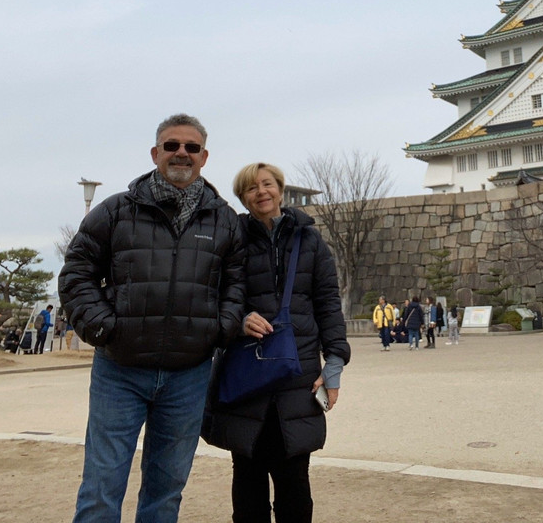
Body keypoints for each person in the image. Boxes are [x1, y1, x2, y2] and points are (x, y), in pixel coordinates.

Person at [58, 113, 246, 523]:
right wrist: (103, 327)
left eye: (191, 147)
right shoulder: (115, 211)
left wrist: (220, 330)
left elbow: (237, 284)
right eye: (172, 145)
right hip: (119, 369)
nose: (182, 153)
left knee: (167, 489)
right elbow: (77, 273)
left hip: (189, 372)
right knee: (101, 486)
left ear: (205, 156)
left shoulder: (224, 219)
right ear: (155, 152)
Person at [204, 162, 350, 523]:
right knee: (247, 474)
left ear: (281, 190)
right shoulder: (232, 239)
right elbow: (210, 295)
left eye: (267, 184)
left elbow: (328, 304)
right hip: (246, 369)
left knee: (295, 477)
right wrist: (237, 321)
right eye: (251, 188)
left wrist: (334, 364)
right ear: (242, 198)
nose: (261, 192)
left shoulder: (310, 240)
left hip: (297, 371)